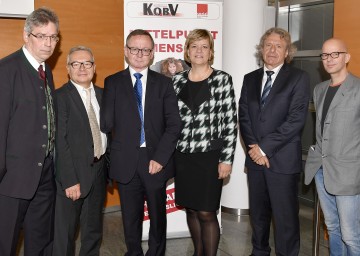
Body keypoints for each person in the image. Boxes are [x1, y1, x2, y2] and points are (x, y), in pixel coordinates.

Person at [100, 29, 181, 256]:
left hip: (155, 159)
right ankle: (133, 253)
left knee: (157, 216)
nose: (139, 54)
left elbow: (174, 124)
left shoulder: (164, 84)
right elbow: (106, 123)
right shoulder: (113, 82)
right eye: (134, 49)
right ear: (126, 51)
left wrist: (160, 158)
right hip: (125, 159)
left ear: (152, 53)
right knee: (130, 217)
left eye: (145, 50)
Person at [238, 27, 310, 256]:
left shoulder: (298, 78)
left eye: (278, 46)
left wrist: (264, 148)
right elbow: (244, 117)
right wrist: (254, 149)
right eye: (268, 44)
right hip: (255, 161)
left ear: (287, 51)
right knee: (258, 216)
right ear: (261, 48)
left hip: (282, 161)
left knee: (285, 218)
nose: (272, 50)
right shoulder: (250, 79)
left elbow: (296, 119)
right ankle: (259, 252)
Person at [172, 29, 238, 256]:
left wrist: (226, 159)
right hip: (183, 156)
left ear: (210, 52)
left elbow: (230, 122)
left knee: (207, 212)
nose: (199, 51)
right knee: (190, 208)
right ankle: (198, 252)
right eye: (194, 46)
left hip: (210, 156)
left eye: (204, 46)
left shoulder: (222, 79)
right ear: (187, 51)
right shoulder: (177, 81)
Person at [0, 7, 59, 256]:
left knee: (40, 241)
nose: (48, 43)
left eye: (53, 37)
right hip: (12, 179)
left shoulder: (46, 71)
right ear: (26, 36)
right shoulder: (6, 70)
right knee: (6, 243)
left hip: (45, 175)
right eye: (41, 36)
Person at [304, 38, 360, 255]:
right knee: (333, 228)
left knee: (350, 234)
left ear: (347, 57)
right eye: (325, 55)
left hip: (348, 173)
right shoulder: (319, 90)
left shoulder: (357, 88)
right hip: (321, 169)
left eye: (335, 54)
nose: (329, 59)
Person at [53, 46, 108, 256]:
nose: (82, 68)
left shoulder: (103, 95)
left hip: (99, 170)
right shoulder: (61, 97)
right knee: (65, 234)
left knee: (92, 232)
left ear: (94, 67)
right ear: (68, 68)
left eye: (87, 63)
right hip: (72, 176)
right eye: (76, 63)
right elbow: (60, 140)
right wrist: (69, 180)